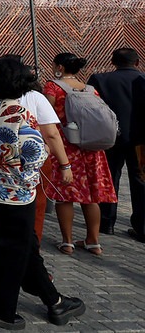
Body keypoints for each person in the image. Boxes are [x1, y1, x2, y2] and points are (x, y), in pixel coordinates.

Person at [0, 56, 85, 329]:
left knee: (18, 245)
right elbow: (35, 153)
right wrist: (48, 155)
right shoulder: (19, 112)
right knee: (12, 250)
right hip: (17, 192)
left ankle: (53, 301)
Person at [42, 53, 117, 256]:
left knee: (65, 196)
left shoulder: (52, 87)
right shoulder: (90, 89)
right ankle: (93, 242)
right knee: (91, 197)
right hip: (91, 148)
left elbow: (47, 117)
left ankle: (67, 242)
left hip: (66, 147)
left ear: (59, 67)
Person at [87, 47, 145, 241]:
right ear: (137, 62)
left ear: (113, 62)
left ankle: (106, 222)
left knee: (109, 177)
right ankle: (142, 226)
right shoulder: (142, 80)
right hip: (140, 140)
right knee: (140, 180)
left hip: (110, 137)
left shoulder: (99, 79)